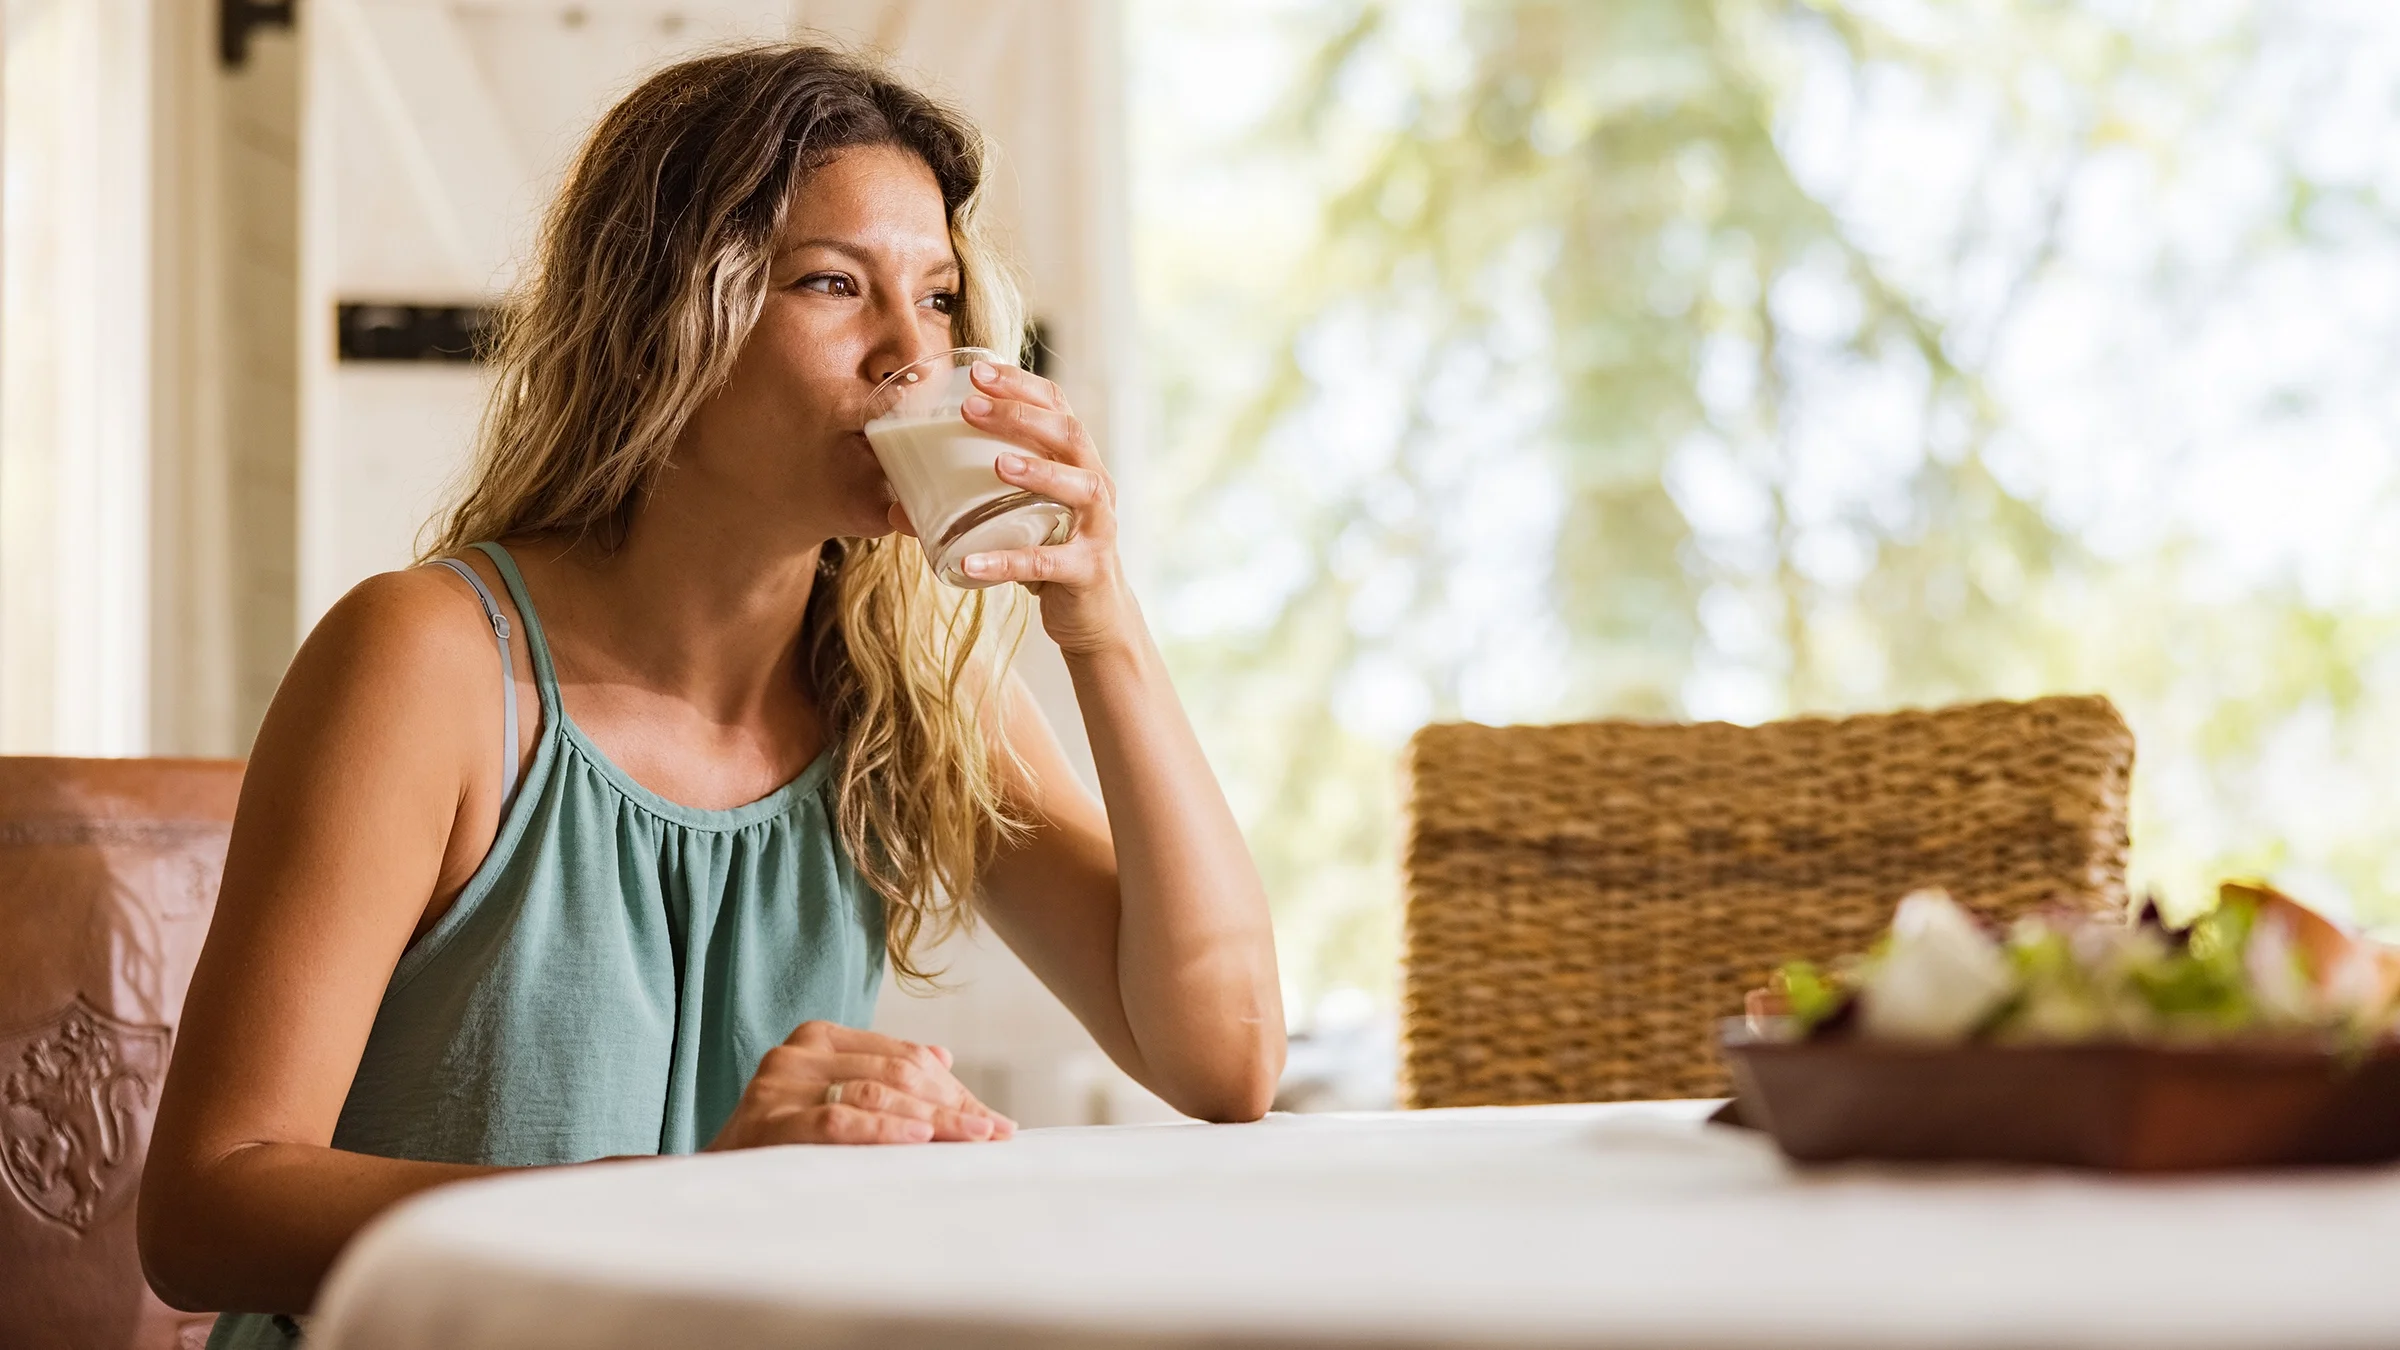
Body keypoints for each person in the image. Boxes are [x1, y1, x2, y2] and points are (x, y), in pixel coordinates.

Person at [139, 44, 1284, 1348]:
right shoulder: (433, 664)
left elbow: (1224, 1060)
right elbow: (204, 1208)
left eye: (942, 294)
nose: (916, 351)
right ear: (666, 319)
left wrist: (1102, 623)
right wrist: (682, 1205)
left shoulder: (908, 696)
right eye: (834, 284)